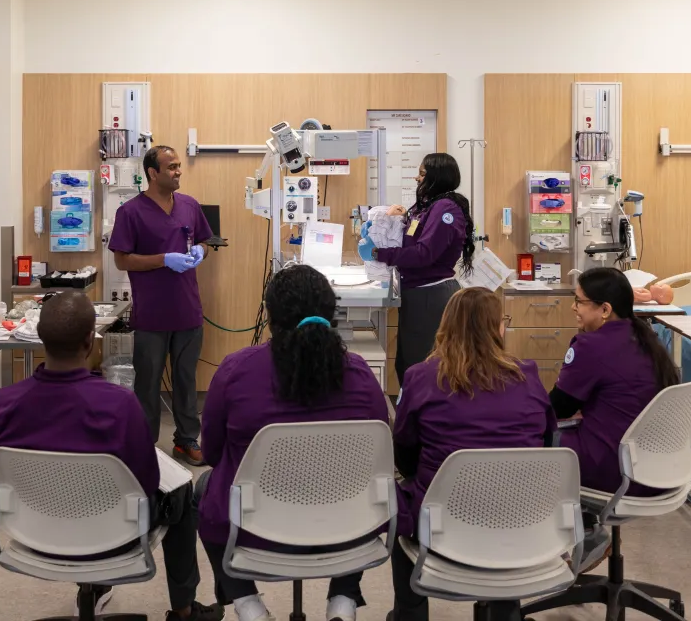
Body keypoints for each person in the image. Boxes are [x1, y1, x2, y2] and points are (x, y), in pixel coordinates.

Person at [0, 291, 221, 621]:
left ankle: (94, 587)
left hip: (31, 533)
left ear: (39, 337)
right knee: (181, 489)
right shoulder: (118, 404)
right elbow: (146, 482)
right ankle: (183, 610)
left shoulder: (3, 403)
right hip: (112, 533)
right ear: (90, 341)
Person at [197, 265, 389, 621]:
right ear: (332, 314)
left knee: (204, 487)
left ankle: (247, 603)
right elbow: (380, 458)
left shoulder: (236, 370)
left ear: (271, 315)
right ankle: (343, 600)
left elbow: (210, 453)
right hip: (347, 528)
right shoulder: (361, 374)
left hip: (255, 529)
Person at [388, 287, 556, 621]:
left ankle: (410, 613)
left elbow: (403, 453)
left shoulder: (421, 378)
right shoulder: (528, 375)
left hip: (443, 522)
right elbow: (546, 445)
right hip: (521, 520)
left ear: (446, 327)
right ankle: (506, 611)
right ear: (497, 329)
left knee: (397, 503)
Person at [108, 145, 213, 466]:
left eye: (180, 166)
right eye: (171, 167)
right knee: (147, 384)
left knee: (186, 381)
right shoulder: (130, 212)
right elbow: (122, 260)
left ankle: (186, 441)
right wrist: (164, 259)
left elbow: (206, 242)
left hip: (188, 311)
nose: (178, 172)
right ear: (152, 173)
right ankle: (146, 446)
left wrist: (200, 253)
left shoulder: (189, 206)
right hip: (152, 316)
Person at [552, 267, 680, 496]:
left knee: (532, 434)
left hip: (615, 470)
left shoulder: (591, 346)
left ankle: (566, 524)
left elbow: (559, 407)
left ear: (604, 309)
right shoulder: (645, 337)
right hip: (660, 469)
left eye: (579, 301)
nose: (573, 307)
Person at [358, 152, 474, 386]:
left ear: (437, 176)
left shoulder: (446, 210)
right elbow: (416, 237)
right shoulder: (429, 207)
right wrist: (398, 220)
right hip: (417, 292)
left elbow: (424, 254)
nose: (417, 178)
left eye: (422, 173)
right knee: (407, 362)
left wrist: (378, 254)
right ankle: (410, 415)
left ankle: (422, 418)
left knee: (422, 368)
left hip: (431, 295)